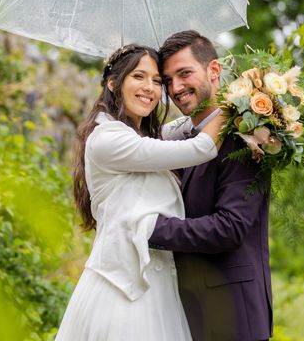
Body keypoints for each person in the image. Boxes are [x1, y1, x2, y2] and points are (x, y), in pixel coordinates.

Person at [55, 44, 224, 341]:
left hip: (156, 284)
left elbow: (182, 128)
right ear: (113, 83)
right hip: (122, 292)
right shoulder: (108, 137)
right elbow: (202, 147)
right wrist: (239, 104)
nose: (150, 88)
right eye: (138, 76)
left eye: (157, 81)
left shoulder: (137, 136)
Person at [148, 30, 273, 341]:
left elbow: (230, 227)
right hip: (190, 314)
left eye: (184, 73)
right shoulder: (183, 140)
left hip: (234, 317)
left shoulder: (245, 137)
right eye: (167, 81)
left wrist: (150, 229)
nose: (175, 88)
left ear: (214, 70)